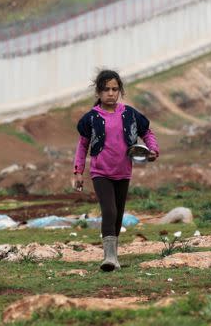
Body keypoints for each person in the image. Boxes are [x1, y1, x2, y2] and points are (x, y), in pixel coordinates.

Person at [73, 69, 159, 271]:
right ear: (98, 92)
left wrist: (153, 150)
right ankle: (109, 257)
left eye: (114, 89)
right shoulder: (91, 118)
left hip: (123, 172)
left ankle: (114, 255)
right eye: (106, 89)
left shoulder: (130, 114)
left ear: (120, 90)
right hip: (100, 172)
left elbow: (147, 132)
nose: (110, 93)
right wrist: (78, 171)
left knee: (118, 214)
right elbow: (82, 146)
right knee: (109, 211)